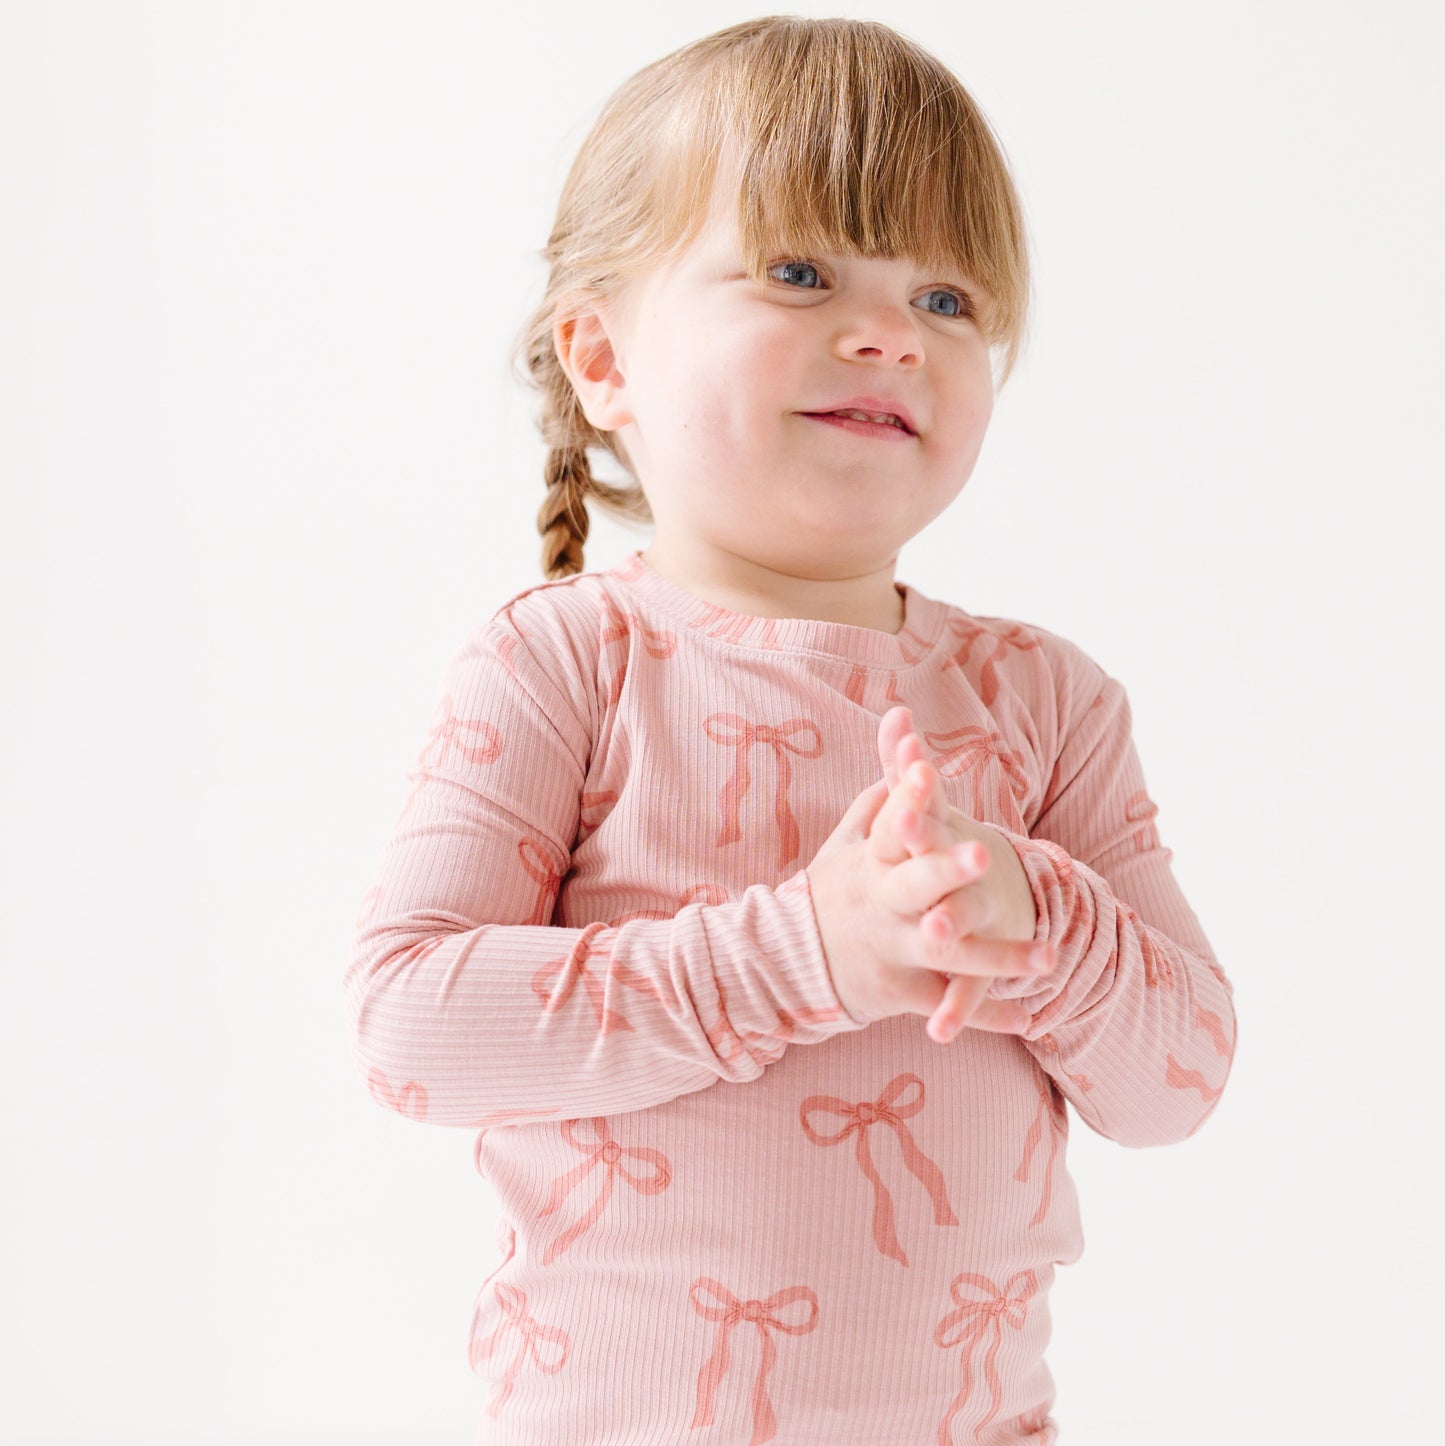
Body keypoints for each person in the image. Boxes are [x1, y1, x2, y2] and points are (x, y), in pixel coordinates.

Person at [343, 16, 1237, 1443]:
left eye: (945, 297)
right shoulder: (565, 661)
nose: (890, 333)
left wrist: (1039, 922)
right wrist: (800, 955)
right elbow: (409, 1026)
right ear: (602, 357)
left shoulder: (1046, 699)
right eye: (802, 273)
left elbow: (1178, 1080)